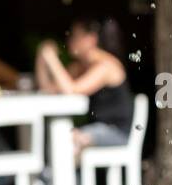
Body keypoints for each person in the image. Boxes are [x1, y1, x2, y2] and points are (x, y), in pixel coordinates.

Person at [35, 18, 133, 160]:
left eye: (75, 35)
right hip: (94, 129)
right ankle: (55, 180)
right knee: (59, 136)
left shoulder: (106, 65)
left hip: (115, 132)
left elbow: (71, 91)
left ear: (91, 39)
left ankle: (52, 180)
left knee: (66, 139)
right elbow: (48, 88)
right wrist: (42, 59)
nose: (69, 40)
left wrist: (52, 59)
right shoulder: (81, 66)